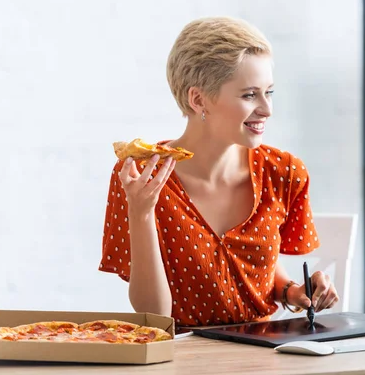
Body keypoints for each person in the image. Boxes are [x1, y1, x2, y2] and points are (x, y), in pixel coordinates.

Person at [99, 16, 338, 327]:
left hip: (269, 354)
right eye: (250, 95)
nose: (267, 109)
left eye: (270, 92)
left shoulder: (283, 172)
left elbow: (257, 270)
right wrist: (141, 213)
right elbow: (154, 317)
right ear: (198, 99)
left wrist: (292, 292)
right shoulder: (139, 177)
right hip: (184, 357)